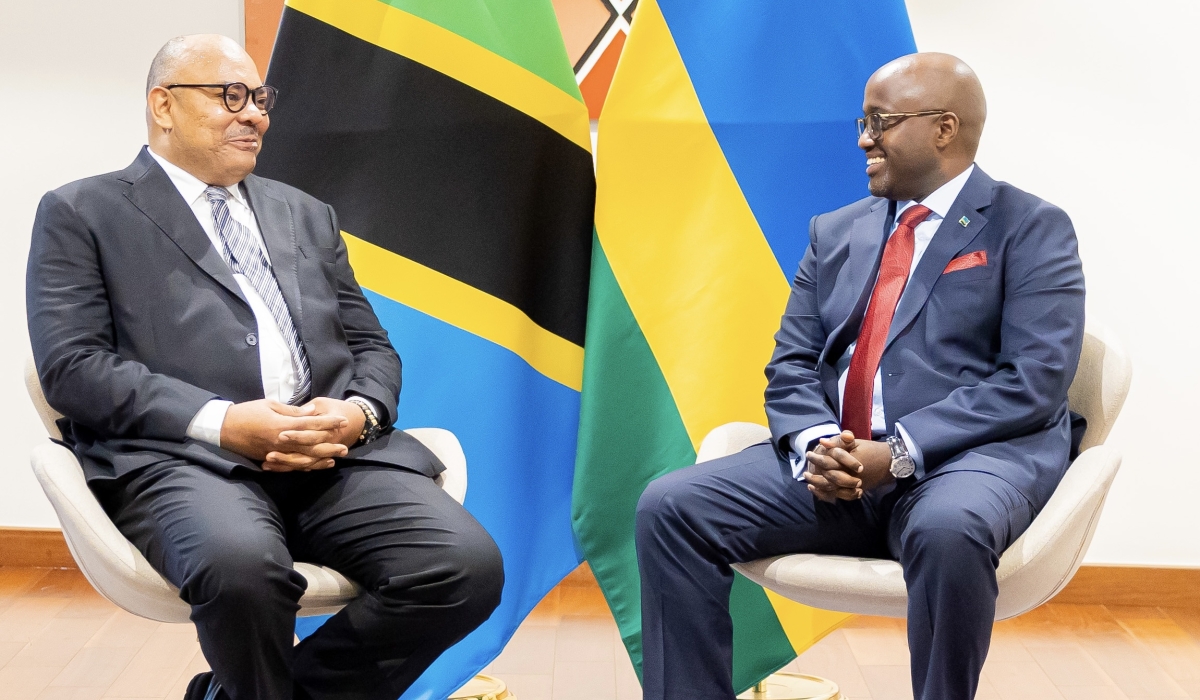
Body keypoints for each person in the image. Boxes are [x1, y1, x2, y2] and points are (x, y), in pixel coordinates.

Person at [26, 35, 503, 700]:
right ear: (163, 106)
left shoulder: (304, 214)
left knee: (464, 568)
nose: (253, 113)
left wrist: (357, 414)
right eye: (230, 95)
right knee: (241, 571)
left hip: (333, 462)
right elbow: (73, 369)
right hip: (185, 462)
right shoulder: (82, 212)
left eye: (259, 98)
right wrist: (224, 423)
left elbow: (372, 346)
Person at [635, 53, 1085, 700]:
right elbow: (790, 363)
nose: (863, 138)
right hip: (842, 464)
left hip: (967, 463)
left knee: (948, 529)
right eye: (863, 120)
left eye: (881, 121)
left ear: (944, 128)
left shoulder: (1032, 228)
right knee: (672, 507)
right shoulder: (836, 231)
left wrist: (898, 453)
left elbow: (1035, 380)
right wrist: (820, 444)